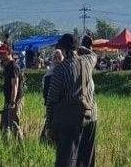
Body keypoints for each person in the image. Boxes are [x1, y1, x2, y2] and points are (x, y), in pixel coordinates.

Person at [44, 33, 98, 167]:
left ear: (63, 49)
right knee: (86, 160)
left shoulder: (60, 69)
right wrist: (81, 48)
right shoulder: (88, 61)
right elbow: (93, 54)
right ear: (76, 48)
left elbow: (51, 101)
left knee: (66, 160)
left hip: (69, 120)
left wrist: (49, 125)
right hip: (90, 116)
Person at [1, 52, 24, 139]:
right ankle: (5, 145)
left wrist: (13, 102)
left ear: (8, 53)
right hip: (8, 99)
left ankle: (21, 145)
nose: (1, 55)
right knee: (4, 125)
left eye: (3, 53)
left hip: (15, 99)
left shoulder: (14, 66)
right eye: (0, 53)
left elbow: (15, 85)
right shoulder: (7, 66)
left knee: (14, 123)